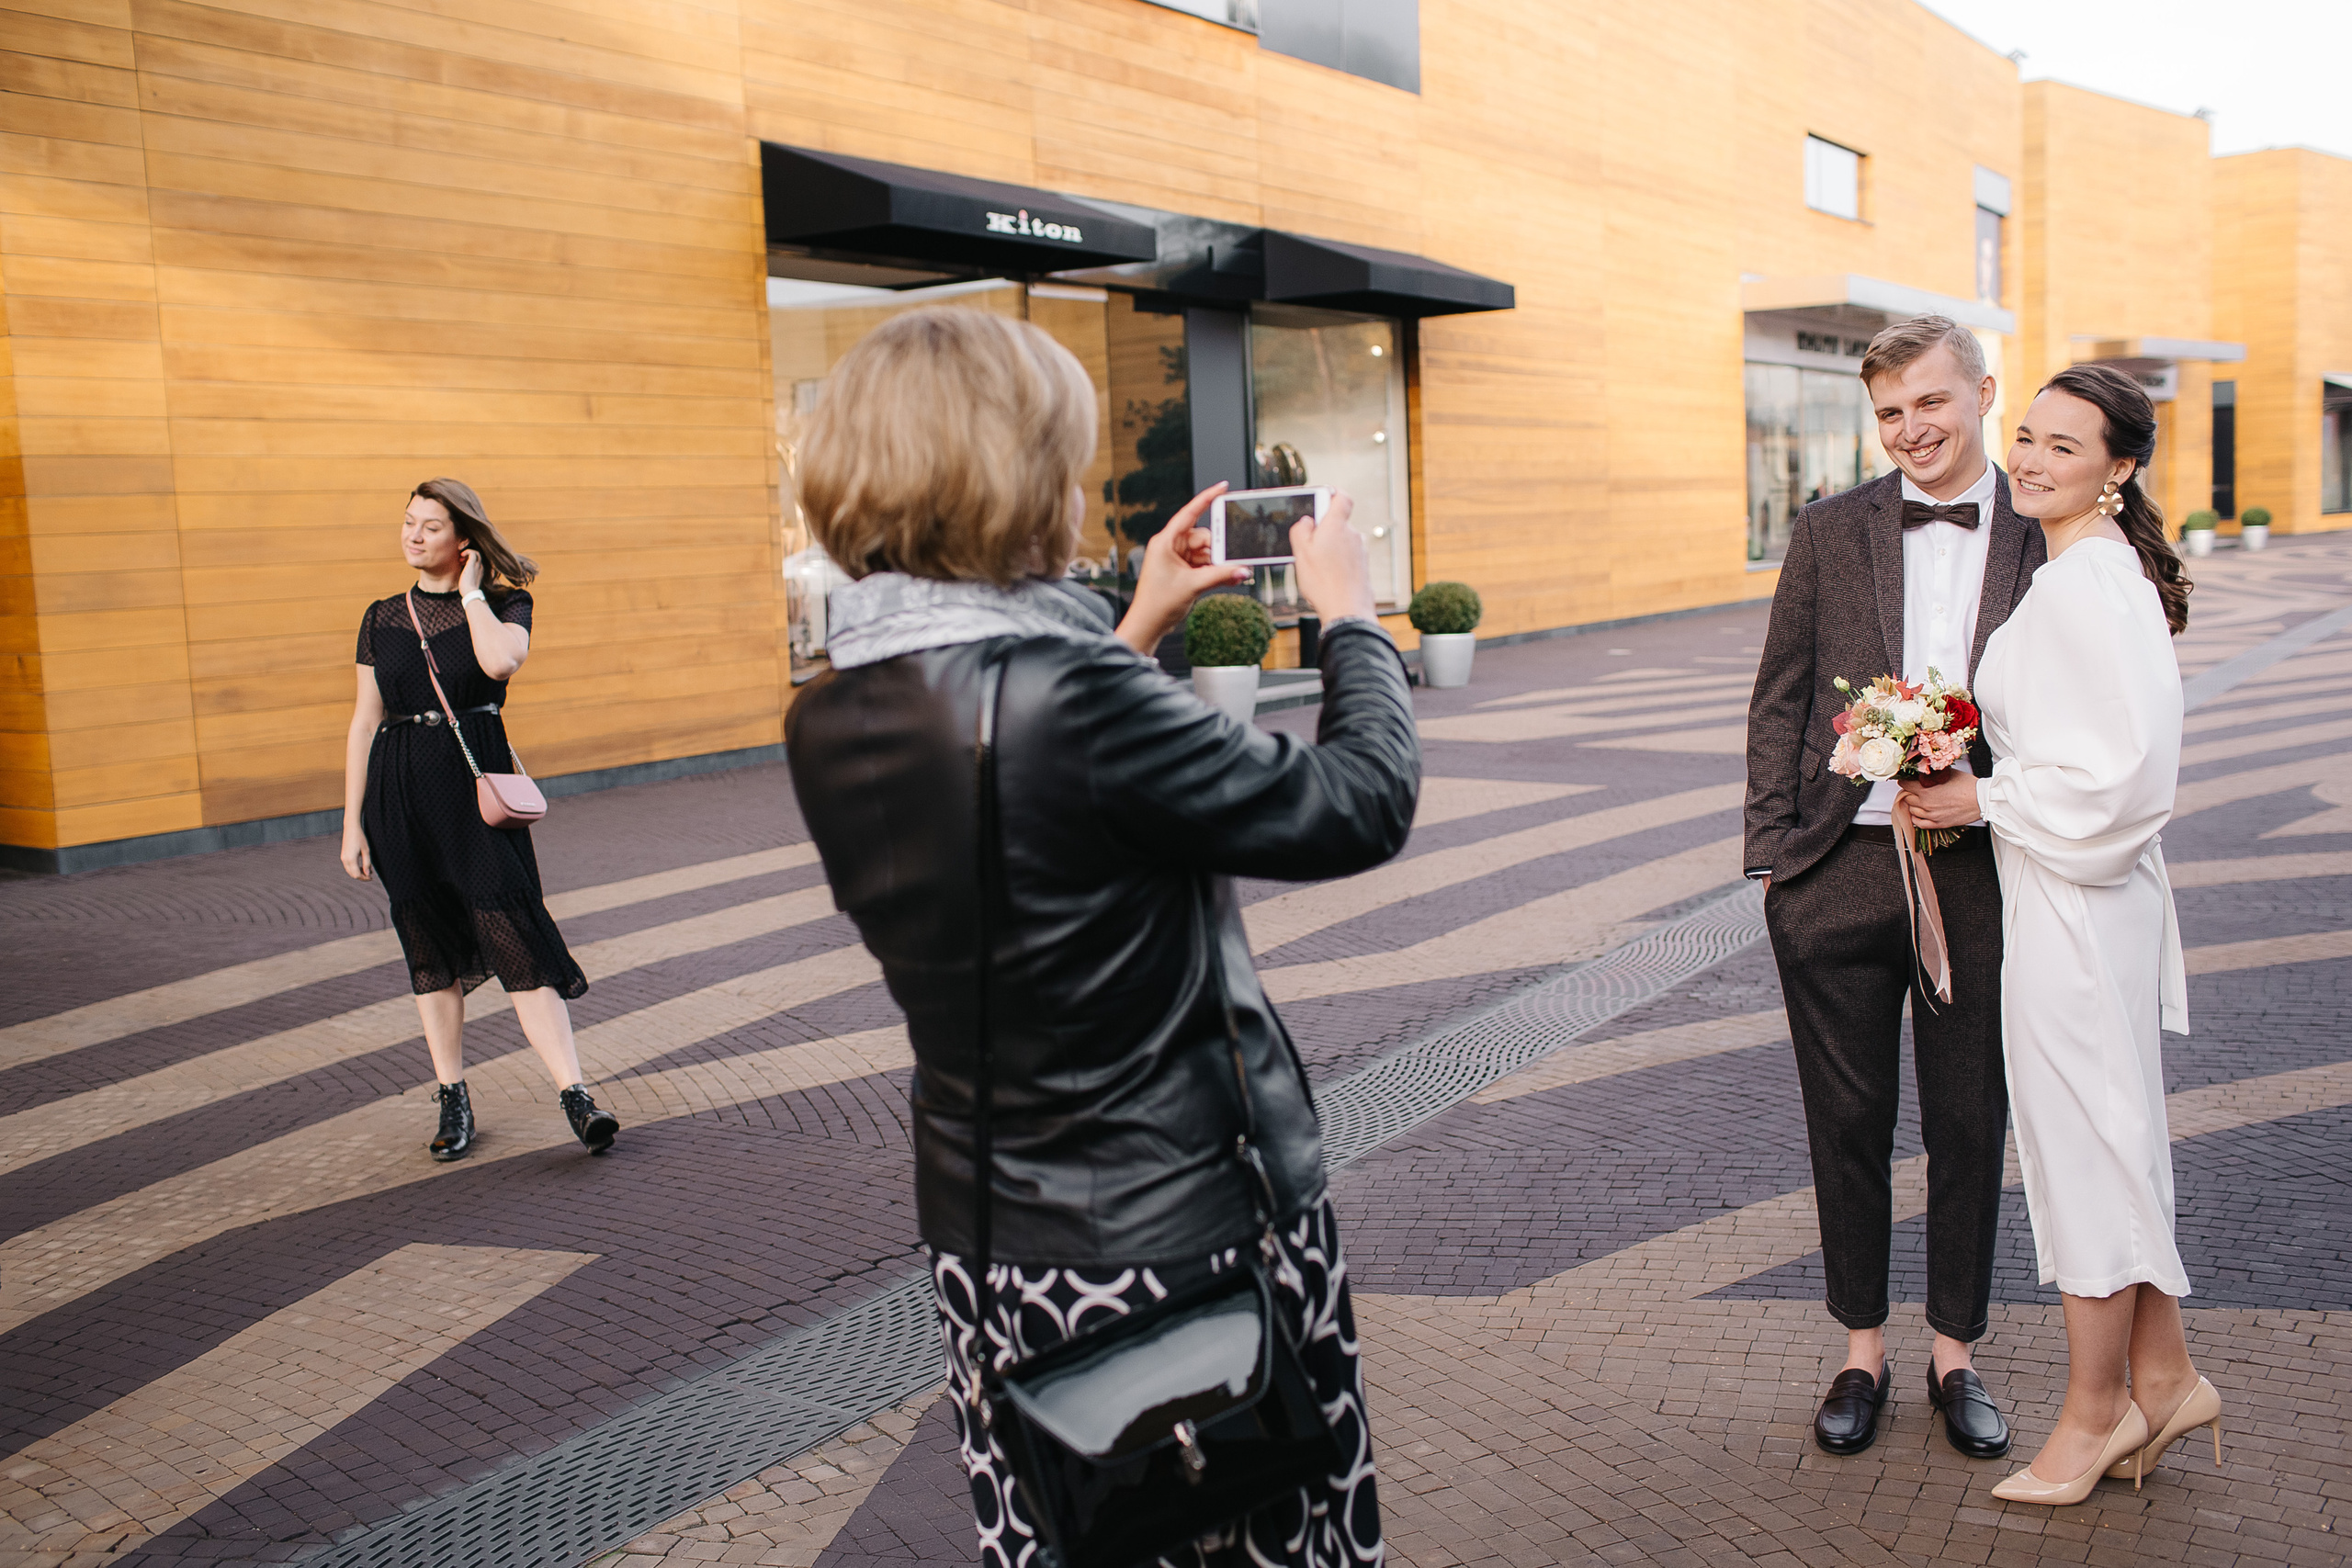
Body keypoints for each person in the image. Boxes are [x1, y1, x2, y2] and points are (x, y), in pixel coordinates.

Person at [783, 308, 1418, 1568]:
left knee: (1074, 1541)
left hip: (993, 1236)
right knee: (1265, 1536)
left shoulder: (834, 706)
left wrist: (1132, 621)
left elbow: (1015, 785)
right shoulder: (1078, 702)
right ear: (1010, 476)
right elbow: (1357, 803)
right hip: (1175, 1224)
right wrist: (1349, 618)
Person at [1899, 364, 2214, 1505]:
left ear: (2118, 469)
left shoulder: (2094, 586)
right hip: (2061, 898)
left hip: (2081, 906)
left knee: (2086, 1153)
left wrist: (1980, 798)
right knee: (2105, 1135)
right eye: (2025, 435)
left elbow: (2126, 783)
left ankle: (2092, 1419)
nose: (2028, 458)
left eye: (2063, 447)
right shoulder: (2079, 570)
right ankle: (2165, 1374)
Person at [1744, 316, 2045, 1461]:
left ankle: (1954, 1352)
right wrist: (1774, 860)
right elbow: (1778, 693)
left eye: (1930, 402)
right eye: (1889, 413)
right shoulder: (1830, 529)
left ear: (1980, 392)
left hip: (1983, 872)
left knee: (1970, 1120)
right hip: (1837, 868)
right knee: (1848, 1122)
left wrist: (1993, 786)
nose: (1911, 430)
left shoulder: (2043, 530)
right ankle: (1859, 1352)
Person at [339, 479, 617, 1162]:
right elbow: (363, 721)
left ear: (463, 541)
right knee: (429, 950)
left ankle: (576, 1095)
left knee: (515, 934)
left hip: (473, 791)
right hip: (400, 793)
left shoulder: (504, 603)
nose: (412, 535)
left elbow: (499, 661)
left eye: (430, 526)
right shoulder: (381, 617)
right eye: (408, 522)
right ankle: (452, 1094)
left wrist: (468, 593)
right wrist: (352, 821)